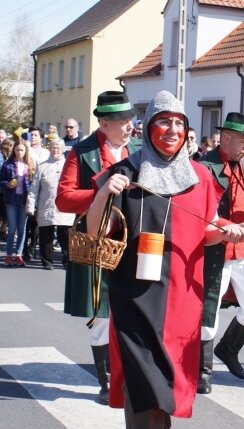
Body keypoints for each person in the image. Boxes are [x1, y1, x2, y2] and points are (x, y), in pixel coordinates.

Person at [86, 90, 244, 429]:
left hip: (182, 295)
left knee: (169, 378)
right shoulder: (124, 172)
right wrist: (107, 191)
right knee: (142, 375)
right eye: (163, 121)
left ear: (187, 131)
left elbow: (204, 231)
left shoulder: (202, 177)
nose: (171, 129)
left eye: (178, 122)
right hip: (135, 293)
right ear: (148, 128)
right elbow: (92, 230)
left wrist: (226, 233)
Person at [56, 90, 141, 406]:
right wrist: (101, 190)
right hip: (97, 242)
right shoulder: (82, 152)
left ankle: (128, 376)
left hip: (133, 239)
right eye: (123, 121)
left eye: (131, 119)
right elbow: (64, 198)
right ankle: (106, 383)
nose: (130, 126)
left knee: (133, 310)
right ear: (104, 123)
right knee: (101, 313)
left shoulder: (138, 150)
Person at [197, 112, 244, 394]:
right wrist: (229, 226)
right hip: (215, 245)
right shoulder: (203, 166)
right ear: (226, 137)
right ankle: (201, 371)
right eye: (243, 141)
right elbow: (201, 211)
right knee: (208, 313)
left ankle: (228, 349)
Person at [29, 138, 74, 270]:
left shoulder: (69, 165)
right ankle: (47, 261)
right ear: (49, 149)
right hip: (46, 205)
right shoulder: (42, 166)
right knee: (46, 236)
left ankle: (67, 260)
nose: (55, 150)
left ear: (63, 150)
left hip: (65, 206)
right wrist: (31, 206)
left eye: (58, 148)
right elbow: (34, 188)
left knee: (65, 234)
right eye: (53, 147)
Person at [0, 140, 35, 266]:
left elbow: (34, 183)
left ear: (26, 152)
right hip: (11, 199)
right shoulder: (8, 165)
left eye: (22, 150)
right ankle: (9, 254)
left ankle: (19, 254)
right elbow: (0, 180)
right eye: (17, 150)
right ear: (14, 150)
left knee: (22, 228)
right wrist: (7, 184)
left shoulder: (29, 164)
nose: (19, 152)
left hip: (24, 199)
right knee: (12, 227)